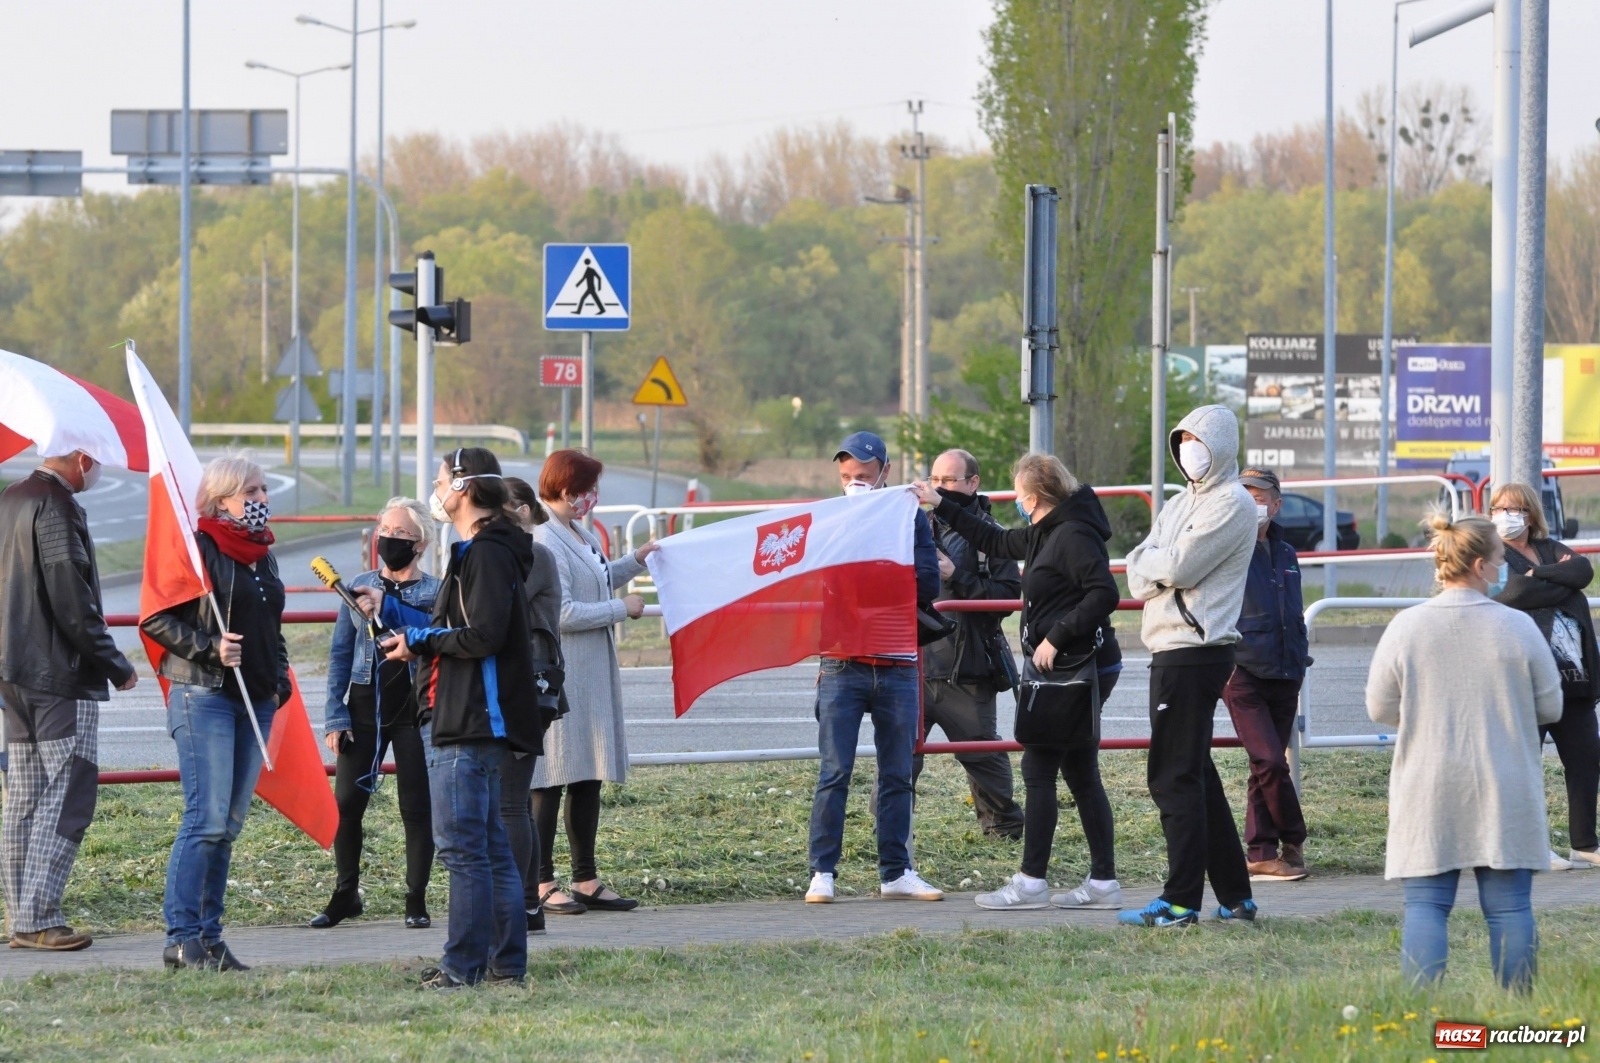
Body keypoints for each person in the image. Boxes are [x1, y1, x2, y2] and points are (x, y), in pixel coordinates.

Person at [914, 453, 1125, 911]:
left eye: (1018, 495)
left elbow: (1104, 593)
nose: (1016, 503)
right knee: (1080, 773)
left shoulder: (1071, 534)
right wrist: (941, 502)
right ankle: (1103, 881)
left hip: (1072, 668)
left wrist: (1056, 636)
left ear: (1031, 497)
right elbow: (994, 537)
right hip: (1065, 668)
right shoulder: (1047, 531)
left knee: (1039, 769)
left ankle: (1032, 881)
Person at [1367, 511, 1561, 992]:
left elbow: (1379, 707)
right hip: (1505, 779)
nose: (1504, 570)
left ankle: (1421, 1014)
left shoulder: (1406, 626)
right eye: (1500, 560)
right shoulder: (1517, 627)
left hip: (1428, 783)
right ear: (1478, 565)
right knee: (1511, 908)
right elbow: (1551, 705)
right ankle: (1520, 1014)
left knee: (1427, 906)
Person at [375, 448, 541, 988]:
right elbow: (466, 626)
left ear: (465, 488)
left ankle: (463, 966)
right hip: (468, 717)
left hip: (469, 720)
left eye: (442, 480)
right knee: (489, 849)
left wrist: (420, 640)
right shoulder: (483, 550)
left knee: (465, 849)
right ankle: (502, 965)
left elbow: (484, 635)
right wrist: (412, 631)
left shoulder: (486, 554)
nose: (437, 488)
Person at [142, 454, 289, 970]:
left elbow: (273, 623)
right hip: (204, 695)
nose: (263, 500)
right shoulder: (197, 548)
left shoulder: (262, 555)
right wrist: (209, 647)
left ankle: (209, 936)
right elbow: (157, 617)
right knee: (204, 820)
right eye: (252, 491)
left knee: (227, 824)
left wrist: (278, 680)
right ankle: (181, 937)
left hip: (256, 701)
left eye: (264, 490)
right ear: (223, 497)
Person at [1121, 405, 1258, 928]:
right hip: (1173, 649)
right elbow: (1139, 568)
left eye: (1197, 440)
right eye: (1181, 441)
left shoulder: (1233, 503)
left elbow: (1176, 564)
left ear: (1220, 444)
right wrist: (1156, 564)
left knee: (1173, 775)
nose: (1188, 450)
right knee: (1196, 772)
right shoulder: (1181, 502)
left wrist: (1156, 563)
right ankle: (1236, 897)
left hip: (1194, 650)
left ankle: (1180, 901)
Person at [0, 450, 136, 952]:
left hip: (12, 671)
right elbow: (71, 598)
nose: (98, 469)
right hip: (59, 673)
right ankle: (40, 918)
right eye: (96, 459)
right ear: (81, 457)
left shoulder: (11, 497)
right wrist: (114, 663)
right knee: (67, 792)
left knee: (24, 799)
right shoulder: (55, 505)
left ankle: (20, 918)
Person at [805, 431, 945, 904]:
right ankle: (822, 872)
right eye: (845, 476)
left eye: (863, 476)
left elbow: (928, 583)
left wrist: (867, 577)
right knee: (834, 771)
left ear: (884, 473)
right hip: (841, 662)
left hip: (898, 663)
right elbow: (813, 583)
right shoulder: (826, 519)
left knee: (897, 773)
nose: (853, 484)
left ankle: (896, 871)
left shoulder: (908, 517)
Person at [530, 450, 659, 915]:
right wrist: (620, 610)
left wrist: (635, 561)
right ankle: (541, 881)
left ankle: (585, 877)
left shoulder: (577, 532)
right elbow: (562, 612)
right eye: (589, 490)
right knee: (552, 778)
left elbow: (598, 580)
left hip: (590, 676)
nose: (594, 498)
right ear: (567, 491)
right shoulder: (544, 538)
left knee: (587, 776)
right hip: (564, 677)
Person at [313, 498, 439, 930]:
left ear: (420, 543)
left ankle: (415, 898)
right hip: (364, 707)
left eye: (399, 534)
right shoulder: (357, 586)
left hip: (415, 711)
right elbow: (339, 655)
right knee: (347, 804)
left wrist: (390, 614)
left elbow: (438, 640)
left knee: (417, 808)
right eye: (384, 528)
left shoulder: (436, 592)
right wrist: (335, 715)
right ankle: (346, 893)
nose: (388, 539)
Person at [915, 449, 1026, 839]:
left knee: (982, 755)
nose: (939, 488)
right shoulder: (913, 525)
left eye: (949, 481)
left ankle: (1004, 831)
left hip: (968, 667)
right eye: (935, 480)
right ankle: (891, 839)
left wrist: (956, 575)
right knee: (899, 757)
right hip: (913, 666)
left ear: (973, 483)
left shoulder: (989, 536)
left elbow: (1008, 597)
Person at [1489, 482, 1600, 871]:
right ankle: (1531, 845)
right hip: (1526, 681)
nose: (1506, 514)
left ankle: (1584, 843)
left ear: (1531, 513)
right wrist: (1561, 586)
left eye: (1515, 508)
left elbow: (1583, 571)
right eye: (1499, 507)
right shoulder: (1494, 553)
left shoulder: (1549, 548)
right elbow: (1513, 593)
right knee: (1525, 764)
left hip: (1575, 679)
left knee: (1587, 761)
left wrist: (1542, 574)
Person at [1221, 467, 1312, 883]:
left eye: (1259, 496)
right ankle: (1294, 839)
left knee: (1264, 768)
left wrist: (1300, 656)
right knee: (1271, 762)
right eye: (1243, 494)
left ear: (1276, 505)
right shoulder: (1224, 548)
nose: (1251, 502)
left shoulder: (1287, 552)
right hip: (1243, 672)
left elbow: (1292, 612)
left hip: (1286, 671)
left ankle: (1260, 853)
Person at [499, 475, 565, 935]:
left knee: (511, 801)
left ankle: (525, 902)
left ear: (522, 510)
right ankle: (528, 903)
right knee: (516, 800)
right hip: (522, 685)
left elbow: (496, 606)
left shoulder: (534, 555)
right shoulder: (519, 553)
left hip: (530, 687)